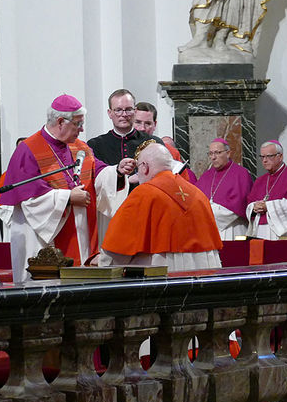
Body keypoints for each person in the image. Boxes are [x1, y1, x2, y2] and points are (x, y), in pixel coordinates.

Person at [1, 94, 128, 282]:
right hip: (44, 239)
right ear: (61, 121)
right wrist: (68, 197)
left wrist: (117, 171)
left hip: (81, 234)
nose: (82, 129)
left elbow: (96, 171)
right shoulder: (29, 149)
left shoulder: (79, 147)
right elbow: (30, 199)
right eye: (78, 124)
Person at [99, 142, 222, 272]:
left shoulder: (144, 193)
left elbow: (117, 252)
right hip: (205, 275)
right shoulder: (198, 194)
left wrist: (102, 262)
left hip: (164, 275)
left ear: (145, 167)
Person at [87, 89, 164, 240]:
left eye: (128, 109)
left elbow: (165, 177)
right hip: (109, 213)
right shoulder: (95, 145)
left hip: (147, 211)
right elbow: (91, 181)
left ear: (135, 111)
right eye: (118, 110)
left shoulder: (154, 143)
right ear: (110, 113)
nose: (124, 114)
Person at [245, 140, 287, 239]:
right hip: (261, 232)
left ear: (280, 157)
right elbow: (249, 203)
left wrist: (268, 206)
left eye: (269, 156)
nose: (264, 160)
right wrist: (254, 208)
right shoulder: (260, 181)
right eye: (262, 157)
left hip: (284, 234)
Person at [195, 137, 254, 240]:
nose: (213, 157)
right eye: (210, 153)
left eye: (217, 153)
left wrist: (208, 213)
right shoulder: (206, 176)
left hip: (232, 229)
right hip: (209, 231)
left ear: (228, 153)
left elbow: (238, 204)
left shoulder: (241, 174)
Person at [133, 101, 195, 183]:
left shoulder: (169, 151)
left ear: (155, 124)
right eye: (138, 122)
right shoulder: (122, 147)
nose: (142, 128)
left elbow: (182, 182)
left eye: (148, 123)